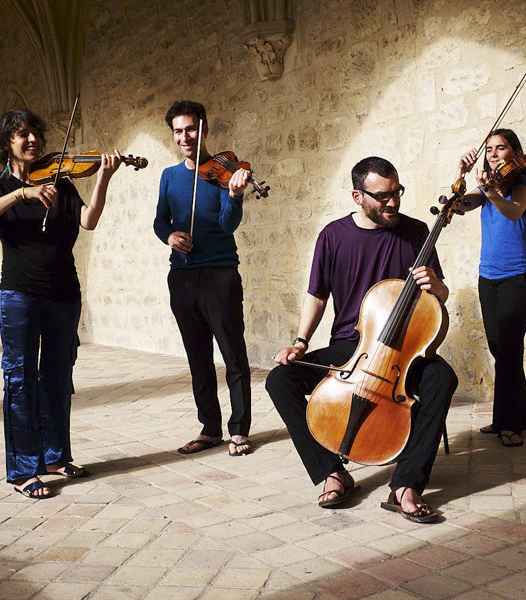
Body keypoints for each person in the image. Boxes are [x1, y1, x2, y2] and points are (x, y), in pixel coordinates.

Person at [265, 157, 458, 523]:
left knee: (442, 377)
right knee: (280, 379)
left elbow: (439, 296)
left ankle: (405, 484)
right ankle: (331, 472)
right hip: (349, 348)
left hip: (402, 350)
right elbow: (317, 295)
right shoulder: (333, 236)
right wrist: (300, 342)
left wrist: (438, 288)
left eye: (396, 193)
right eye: (382, 196)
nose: (392, 202)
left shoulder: (417, 233)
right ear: (358, 195)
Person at [0, 109, 121, 498]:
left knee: (57, 376)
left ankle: (54, 456)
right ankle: (23, 470)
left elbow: (89, 221)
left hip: (63, 292)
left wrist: (103, 177)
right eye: (22, 135)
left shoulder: (61, 182)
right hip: (19, 294)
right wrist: (21, 193)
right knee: (19, 379)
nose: (32, 139)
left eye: (35, 133)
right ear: (6, 143)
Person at [153, 100, 253, 457]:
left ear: (205, 129)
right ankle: (210, 428)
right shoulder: (169, 176)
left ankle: (239, 430)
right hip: (181, 276)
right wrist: (170, 237)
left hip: (220, 275)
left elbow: (228, 225)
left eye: (191, 129)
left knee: (233, 354)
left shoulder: (225, 173)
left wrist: (235, 196)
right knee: (198, 357)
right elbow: (160, 221)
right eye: (178, 131)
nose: (185, 136)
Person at [456, 128, 526, 448]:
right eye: (488, 148)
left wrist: (490, 192)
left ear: (514, 151)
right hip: (487, 278)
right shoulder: (486, 186)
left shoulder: (521, 184)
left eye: (500, 148)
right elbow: (461, 204)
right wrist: (460, 174)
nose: (492, 153)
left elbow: (514, 211)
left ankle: (507, 423)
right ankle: (522, 415)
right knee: (500, 348)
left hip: (518, 277)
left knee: (507, 350)